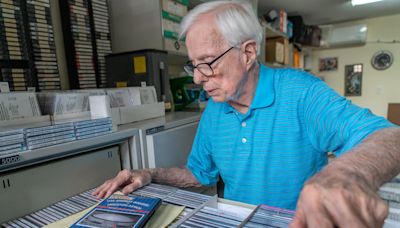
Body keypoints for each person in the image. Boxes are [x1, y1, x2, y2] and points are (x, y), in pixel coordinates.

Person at [94, 1, 400, 227]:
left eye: (207, 62)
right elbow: (199, 175)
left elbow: (389, 136)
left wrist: (345, 174)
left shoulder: (301, 92)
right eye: (193, 64)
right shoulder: (214, 110)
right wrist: (150, 174)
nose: (197, 78)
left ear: (248, 53)